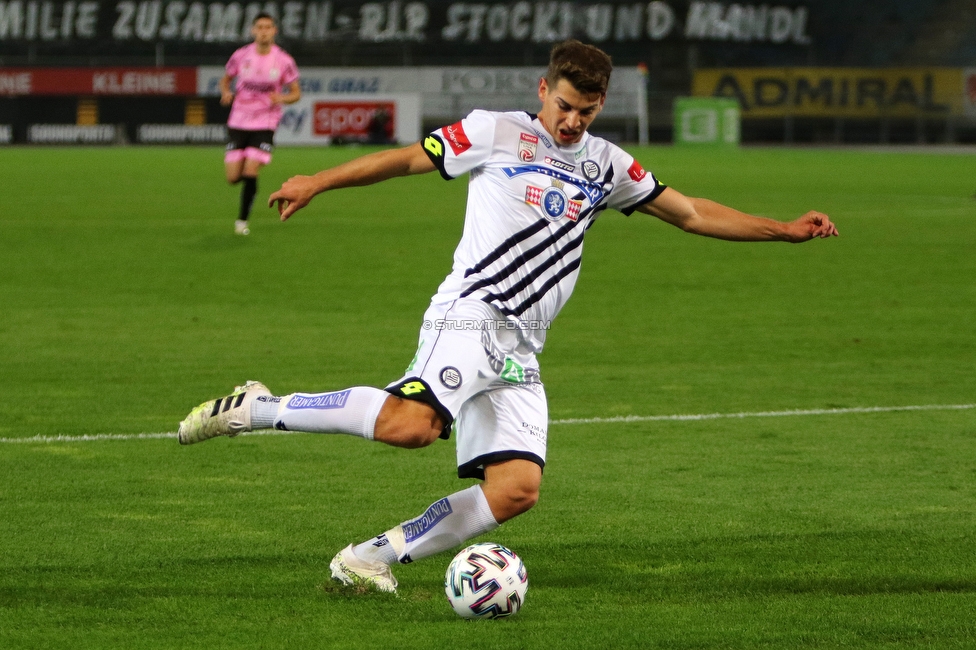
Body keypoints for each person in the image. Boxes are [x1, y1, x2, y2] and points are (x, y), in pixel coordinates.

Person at [178, 40, 838, 593]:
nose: (572, 121)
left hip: (521, 347)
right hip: (470, 315)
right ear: (543, 88)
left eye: (586, 110)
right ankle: (257, 408)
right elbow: (410, 159)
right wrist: (320, 181)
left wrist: (782, 229)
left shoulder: (608, 166)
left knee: (517, 488)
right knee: (410, 425)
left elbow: (690, 212)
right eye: (563, 105)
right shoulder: (496, 131)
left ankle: (369, 556)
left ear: (600, 105)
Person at [220, 12, 300, 235]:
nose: (264, 31)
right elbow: (225, 80)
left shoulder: (283, 60)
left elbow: (296, 93)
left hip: (265, 122)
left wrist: (281, 98)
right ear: (253, 31)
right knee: (233, 178)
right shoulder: (241, 55)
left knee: (251, 169)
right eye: (260, 27)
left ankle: (242, 221)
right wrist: (226, 92)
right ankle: (247, 180)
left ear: (274, 31)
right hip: (238, 120)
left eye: (268, 27)